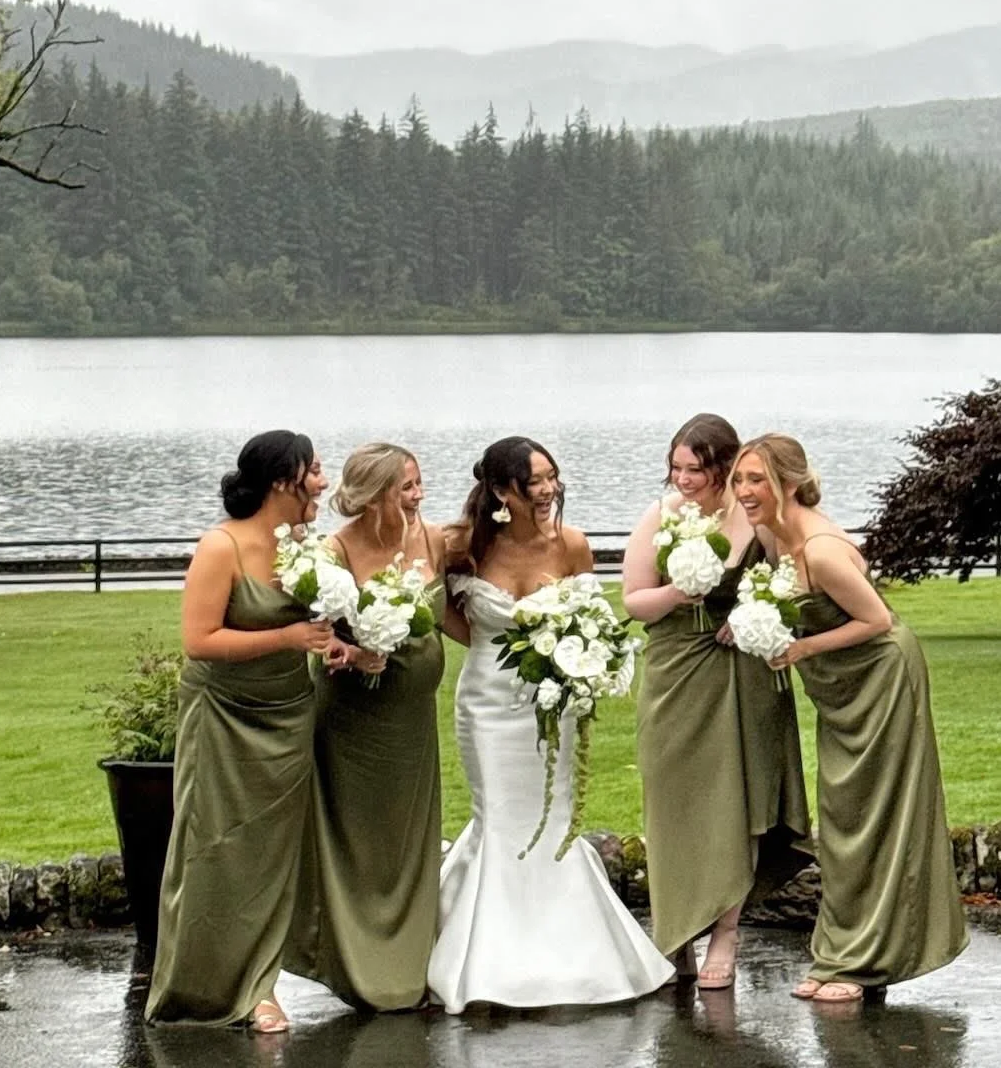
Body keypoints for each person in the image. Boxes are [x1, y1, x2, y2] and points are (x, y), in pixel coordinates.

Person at [426, 435, 675, 1012]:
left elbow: (589, 621)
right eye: (532, 482)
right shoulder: (458, 543)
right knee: (502, 818)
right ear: (498, 490)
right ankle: (485, 956)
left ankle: (574, 952)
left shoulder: (571, 545)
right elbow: (436, 604)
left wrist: (568, 665)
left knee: (554, 814)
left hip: (551, 704)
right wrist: (488, 642)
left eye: (551, 478)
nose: (546, 491)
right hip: (486, 705)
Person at [733, 433, 968, 1003]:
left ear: (788, 484)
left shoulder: (820, 551)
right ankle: (838, 953)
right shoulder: (770, 534)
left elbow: (879, 620)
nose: (743, 491)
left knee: (873, 817)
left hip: (881, 681)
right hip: (842, 692)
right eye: (739, 479)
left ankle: (863, 964)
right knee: (841, 817)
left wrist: (800, 649)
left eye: (756, 480)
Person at [145, 430, 333, 1032]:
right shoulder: (220, 547)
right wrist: (289, 638)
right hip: (224, 717)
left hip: (289, 714)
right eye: (314, 471)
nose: (323, 484)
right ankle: (203, 986)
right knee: (215, 849)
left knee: (273, 858)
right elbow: (199, 641)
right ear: (282, 481)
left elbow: (325, 619)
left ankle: (261, 985)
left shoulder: (304, 545)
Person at [622, 413, 811, 989]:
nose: (683, 479)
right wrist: (678, 593)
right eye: (676, 467)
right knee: (675, 800)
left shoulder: (754, 519)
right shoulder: (660, 517)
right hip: (676, 670)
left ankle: (726, 934)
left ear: (723, 468)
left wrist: (753, 615)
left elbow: (793, 583)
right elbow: (633, 601)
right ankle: (676, 933)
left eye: (696, 469)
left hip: (742, 677)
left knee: (735, 804)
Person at [285, 442, 460, 1010]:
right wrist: (352, 653)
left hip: (412, 721)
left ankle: (412, 963)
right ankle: (360, 966)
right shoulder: (332, 553)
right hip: (352, 721)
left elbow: (483, 569)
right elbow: (318, 634)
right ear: (379, 494)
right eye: (407, 487)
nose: (418, 495)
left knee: (409, 838)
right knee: (358, 839)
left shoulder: (433, 538)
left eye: (418, 484)